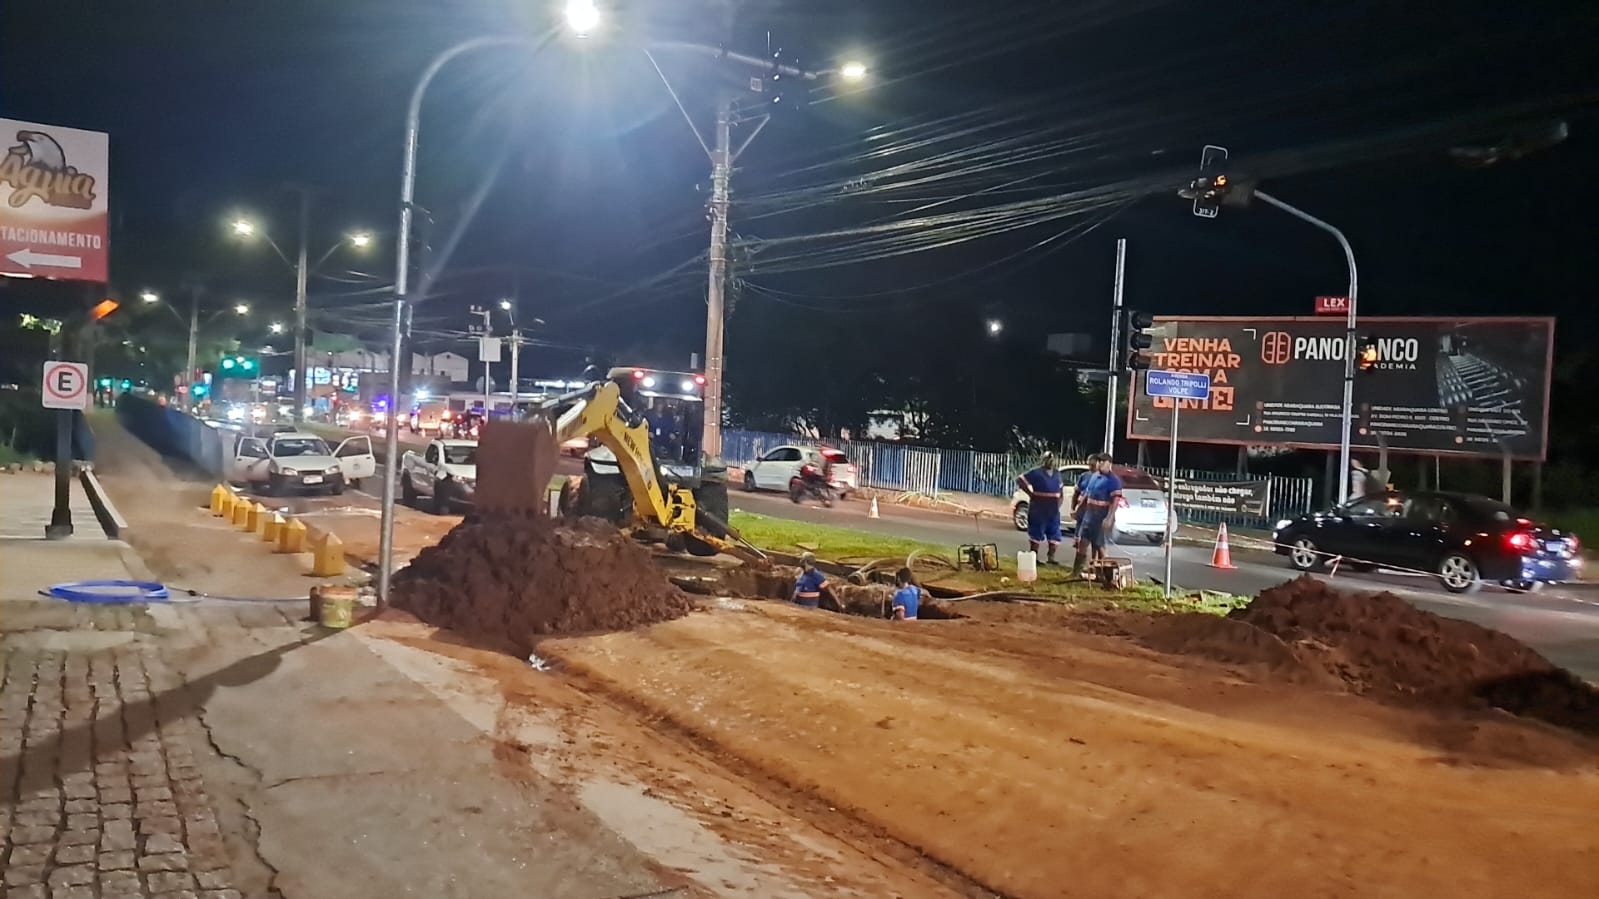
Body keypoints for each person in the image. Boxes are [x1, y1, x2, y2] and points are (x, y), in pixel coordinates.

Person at [1071, 453, 1123, 579]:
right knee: (1082, 543)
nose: (1099, 464)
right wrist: (1078, 509)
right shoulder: (1094, 476)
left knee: (1100, 547)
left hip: (1101, 517)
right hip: (1089, 516)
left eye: (1102, 462)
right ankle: (1076, 572)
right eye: (1099, 461)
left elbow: (1115, 501)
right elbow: (1087, 495)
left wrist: (1109, 518)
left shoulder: (1113, 480)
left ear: (1108, 463)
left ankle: (1105, 576)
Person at [1016, 453, 1065, 565]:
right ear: (1043, 460)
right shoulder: (1036, 472)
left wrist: (1059, 503)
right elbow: (1020, 480)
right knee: (1036, 533)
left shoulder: (1057, 474)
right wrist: (1030, 494)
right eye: (1048, 459)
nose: (1050, 462)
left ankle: (1051, 558)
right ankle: (1034, 557)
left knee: (1055, 534)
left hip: (1053, 510)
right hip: (1038, 509)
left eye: (1052, 459)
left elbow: (1061, 491)